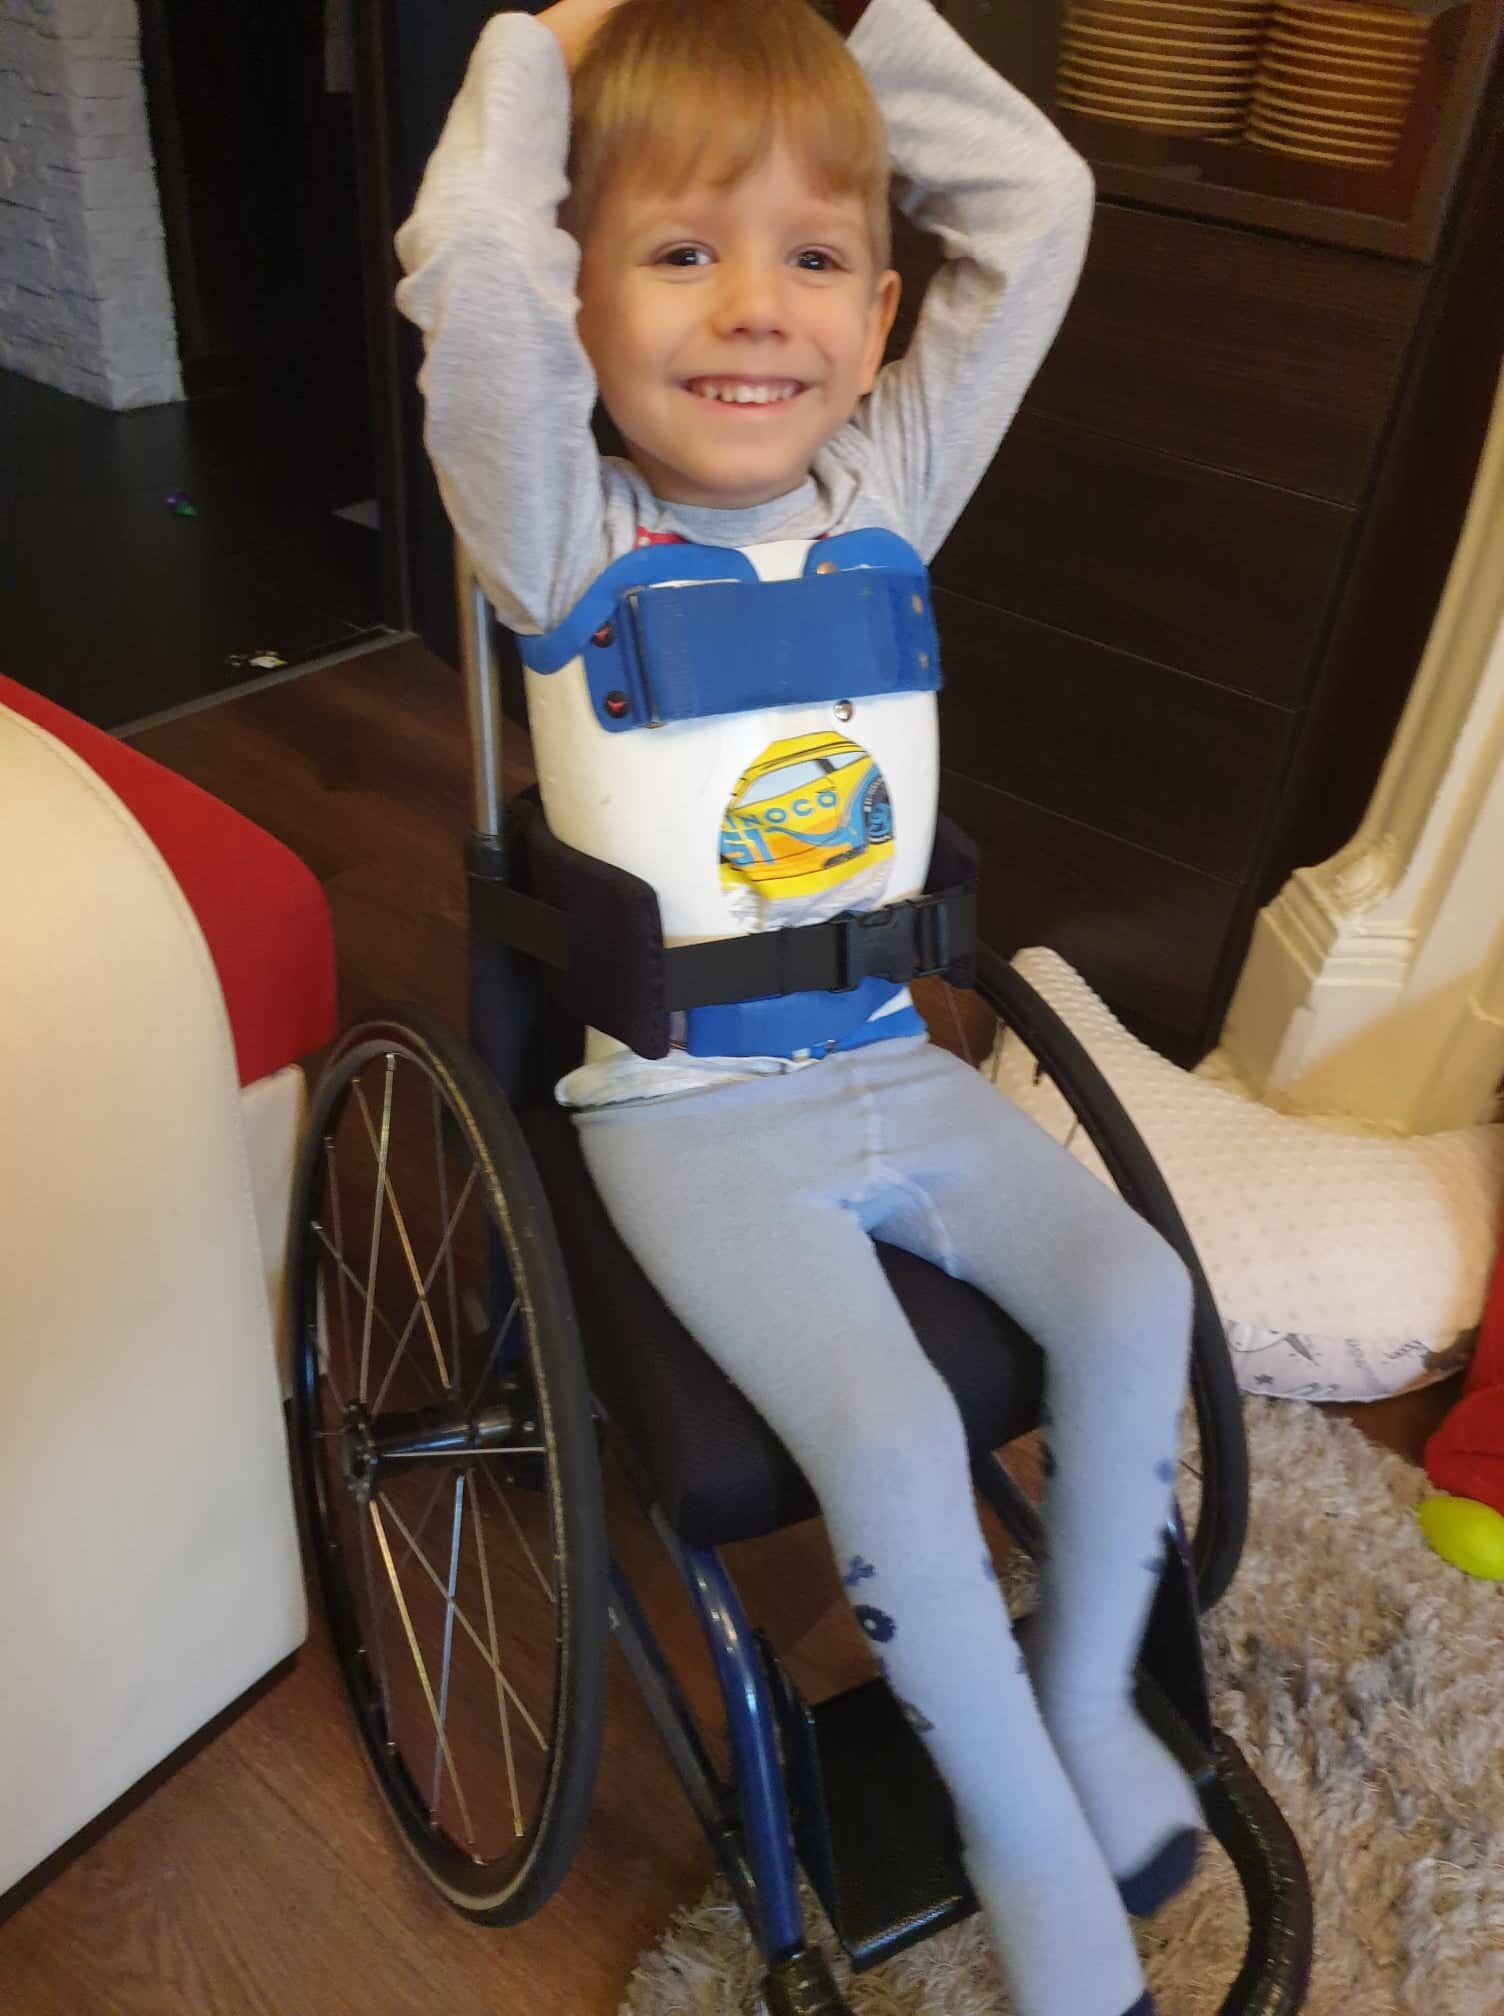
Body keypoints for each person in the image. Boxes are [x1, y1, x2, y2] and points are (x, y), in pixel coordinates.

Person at [396, 3, 1199, 2009]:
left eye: (816, 257)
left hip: (889, 1062)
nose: (757, 308)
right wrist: (547, 39)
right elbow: (470, 266)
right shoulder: (561, 539)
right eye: (680, 251)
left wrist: (839, 32)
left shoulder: (888, 486)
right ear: (579, 298)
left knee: (1136, 1295)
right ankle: (1024, 1846)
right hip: (687, 1119)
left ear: (880, 306)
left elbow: (1039, 199)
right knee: (893, 1437)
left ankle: (1082, 1702)